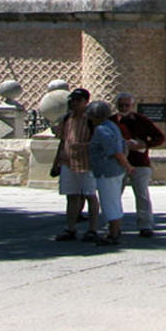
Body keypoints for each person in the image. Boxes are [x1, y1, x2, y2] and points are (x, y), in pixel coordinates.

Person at [113, 92, 166, 237]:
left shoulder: (141, 120)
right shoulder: (112, 121)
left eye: (126, 105)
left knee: (142, 195)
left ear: (132, 105)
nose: (123, 107)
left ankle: (146, 225)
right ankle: (114, 225)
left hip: (139, 163)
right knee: (115, 195)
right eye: (121, 105)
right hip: (118, 164)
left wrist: (143, 144)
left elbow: (160, 137)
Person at [53, 88, 99, 242]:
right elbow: (63, 141)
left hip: (87, 163)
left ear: (86, 102)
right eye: (72, 100)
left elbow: (98, 141)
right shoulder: (67, 119)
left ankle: (92, 229)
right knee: (71, 196)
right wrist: (56, 162)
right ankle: (70, 228)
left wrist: (84, 146)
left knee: (90, 195)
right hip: (68, 162)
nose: (74, 103)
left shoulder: (91, 120)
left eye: (78, 101)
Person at [87, 99, 129, 244]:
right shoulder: (112, 126)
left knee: (109, 202)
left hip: (107, 171)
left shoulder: (101, 129)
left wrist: (128, 166)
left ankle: (113, 233)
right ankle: (115, 230)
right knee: (114, 201)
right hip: (114, 170)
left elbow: (115, 150)